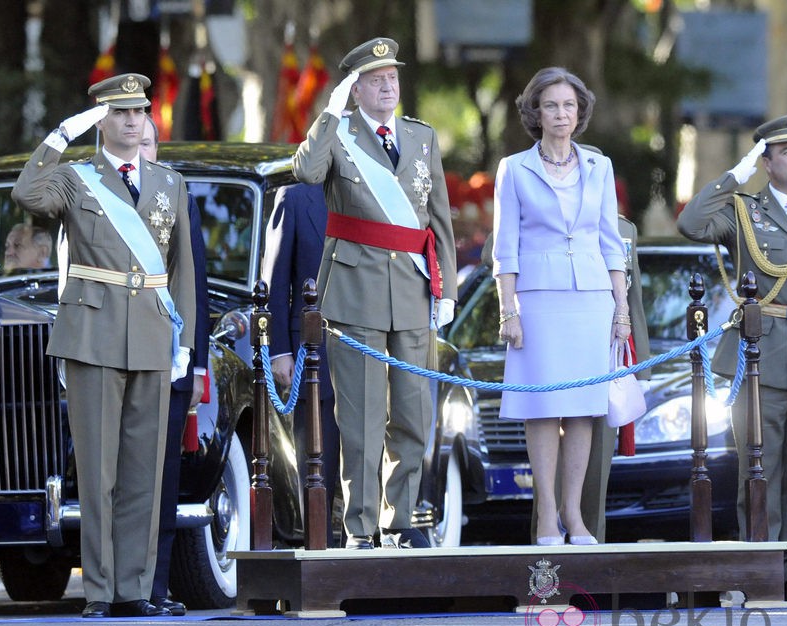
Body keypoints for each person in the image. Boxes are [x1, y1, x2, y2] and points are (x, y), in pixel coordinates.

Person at [12, 73, 196, 618]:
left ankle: (134, 589)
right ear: (101, 121)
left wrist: (181, 339)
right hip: (92, 333)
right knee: (98, 473)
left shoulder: (169, 183)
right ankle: (98, 590)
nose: (133, 120)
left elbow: (181, 266)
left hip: (150, 331)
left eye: (139, 111)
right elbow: (26, 193)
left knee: (143, 470)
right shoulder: (75, 177)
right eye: (119, 113)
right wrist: (64, 133)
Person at [293, 37, 458, 550]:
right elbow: (306, 172)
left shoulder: (421, 137)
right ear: (355, 88)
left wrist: (446, 287)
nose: (388, 86)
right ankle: (361, 527)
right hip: (355, 288)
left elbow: (440, 221)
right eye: (375, 79)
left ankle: (400, 519)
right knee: (361, 418)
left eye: (393, 78)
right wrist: (328, 113)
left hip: (412, 287)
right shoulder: (337, 135)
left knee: (413, 413)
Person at [491, 67, 630, 547]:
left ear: (580, 111)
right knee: (543, 409)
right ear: (535, 112)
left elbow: (613, 243)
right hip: (538, 299)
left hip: (591, 297)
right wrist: (508, 311)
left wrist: (621, 309)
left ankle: (575, 514)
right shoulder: (514, 168)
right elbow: (504, 249)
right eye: (550, 105)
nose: (561, 114)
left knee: (584, 409)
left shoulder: (600, 166)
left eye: (569, 105)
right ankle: (547, 515)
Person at [677, 113, 787, 600]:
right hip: (762, 351)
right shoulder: (745, 210)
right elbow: (691, 223)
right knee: (761, 465)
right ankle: (759, 562)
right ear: (766, 162)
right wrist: (734, 175)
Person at [482, 210, 650, 544]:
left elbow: (632, 299)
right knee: (546, 449)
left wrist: (640, 366)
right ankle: (547, 550)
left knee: (596, 465)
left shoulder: (622, 227)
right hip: (549, 326)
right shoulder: (532, 213)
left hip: (602, 345)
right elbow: (493, 252)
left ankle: (588, 547)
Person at [139, 115, 209, 616]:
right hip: (109, 353)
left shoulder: (176, 194)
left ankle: (155, 588)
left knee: (162, 481)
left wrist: (196, 361)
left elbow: (195, 284)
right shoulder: (96, 194)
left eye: (147, 141)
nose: (138, 149)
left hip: (169, 356)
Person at [261, 182, 341, 546]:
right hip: (312, 355)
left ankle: (364, 546)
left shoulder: (372, 190)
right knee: (317, 468)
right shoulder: (293, 198)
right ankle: (320, 550)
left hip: (364, 349)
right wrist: (279, 349)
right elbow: (274, 280)